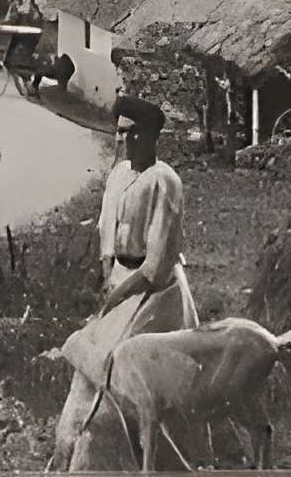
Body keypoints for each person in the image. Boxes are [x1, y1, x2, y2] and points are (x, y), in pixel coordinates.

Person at [52, 96, 201, 471]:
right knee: (89, 370)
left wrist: (115, 297)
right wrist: (107, 272)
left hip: (155, 295)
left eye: (134, 135)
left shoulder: (165, 182)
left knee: (132, 376)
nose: (126, 142)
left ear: (152, 137)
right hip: (119, 280)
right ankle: (71, 452)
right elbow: (106, 228)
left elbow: (156, 265)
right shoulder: (118, 174)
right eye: (121, 134)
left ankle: (152, 461)